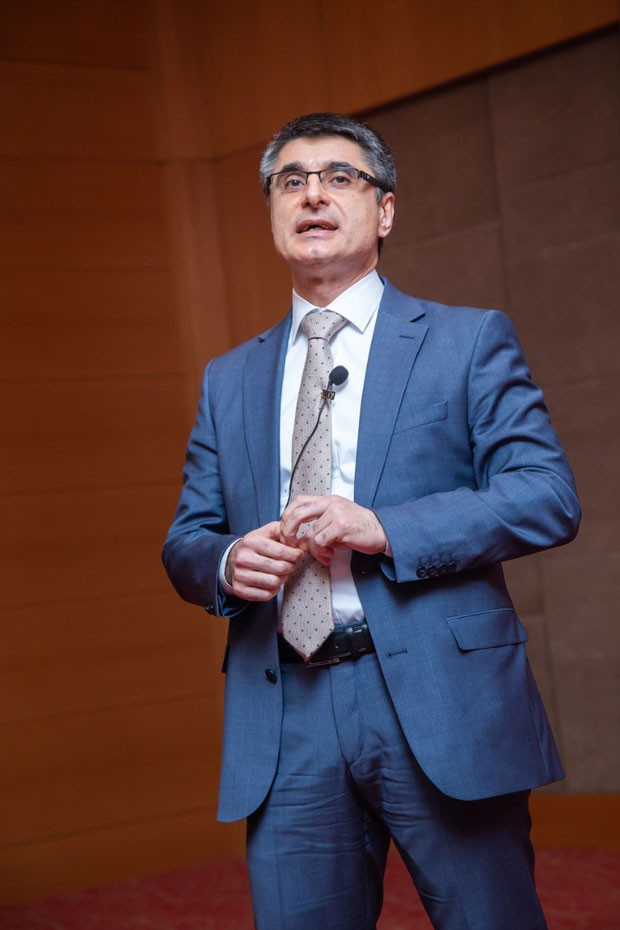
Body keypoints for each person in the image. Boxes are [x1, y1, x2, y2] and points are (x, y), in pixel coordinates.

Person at [163, 112, 580, 930]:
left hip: (438, 699)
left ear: (384, 211)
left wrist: (385, 527)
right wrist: (226, 562)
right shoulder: (228, 378)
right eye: (291, 181)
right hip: (285, 711)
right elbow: (187, 540)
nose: (313, 194)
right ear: (272, 212)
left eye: (339, 177)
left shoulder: (465, 341)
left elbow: (545, 495)